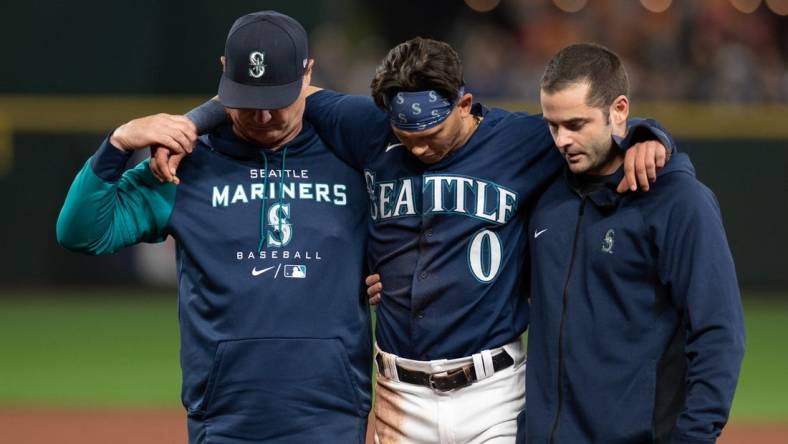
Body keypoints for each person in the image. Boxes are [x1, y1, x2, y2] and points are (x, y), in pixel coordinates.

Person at [161, 38, 673, 443]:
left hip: (492, 389)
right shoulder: (372, 127)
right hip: (399, 393)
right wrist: (191, 122)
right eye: (407, 138)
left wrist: (651, 137)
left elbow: (595, 134)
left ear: (465, 102)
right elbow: (284, 89)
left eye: (432, 133)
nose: (420, 147)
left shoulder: (522, 141)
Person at [56, 11, 372, 444]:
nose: (262, 118)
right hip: (225, 421)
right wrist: (118, 142)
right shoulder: (185, 163)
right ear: (224, 72)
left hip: (333, 416)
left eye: (276, 100)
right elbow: (82, 231)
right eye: (247, 100)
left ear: (308, 75)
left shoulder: (352, 156)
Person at [523, 43, 745, 443]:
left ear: (619, 110)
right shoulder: (544, 192)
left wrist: (693, 438)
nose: (561, 141)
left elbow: (718, 334)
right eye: (552, 125)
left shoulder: (677, 201)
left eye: (576, 124)